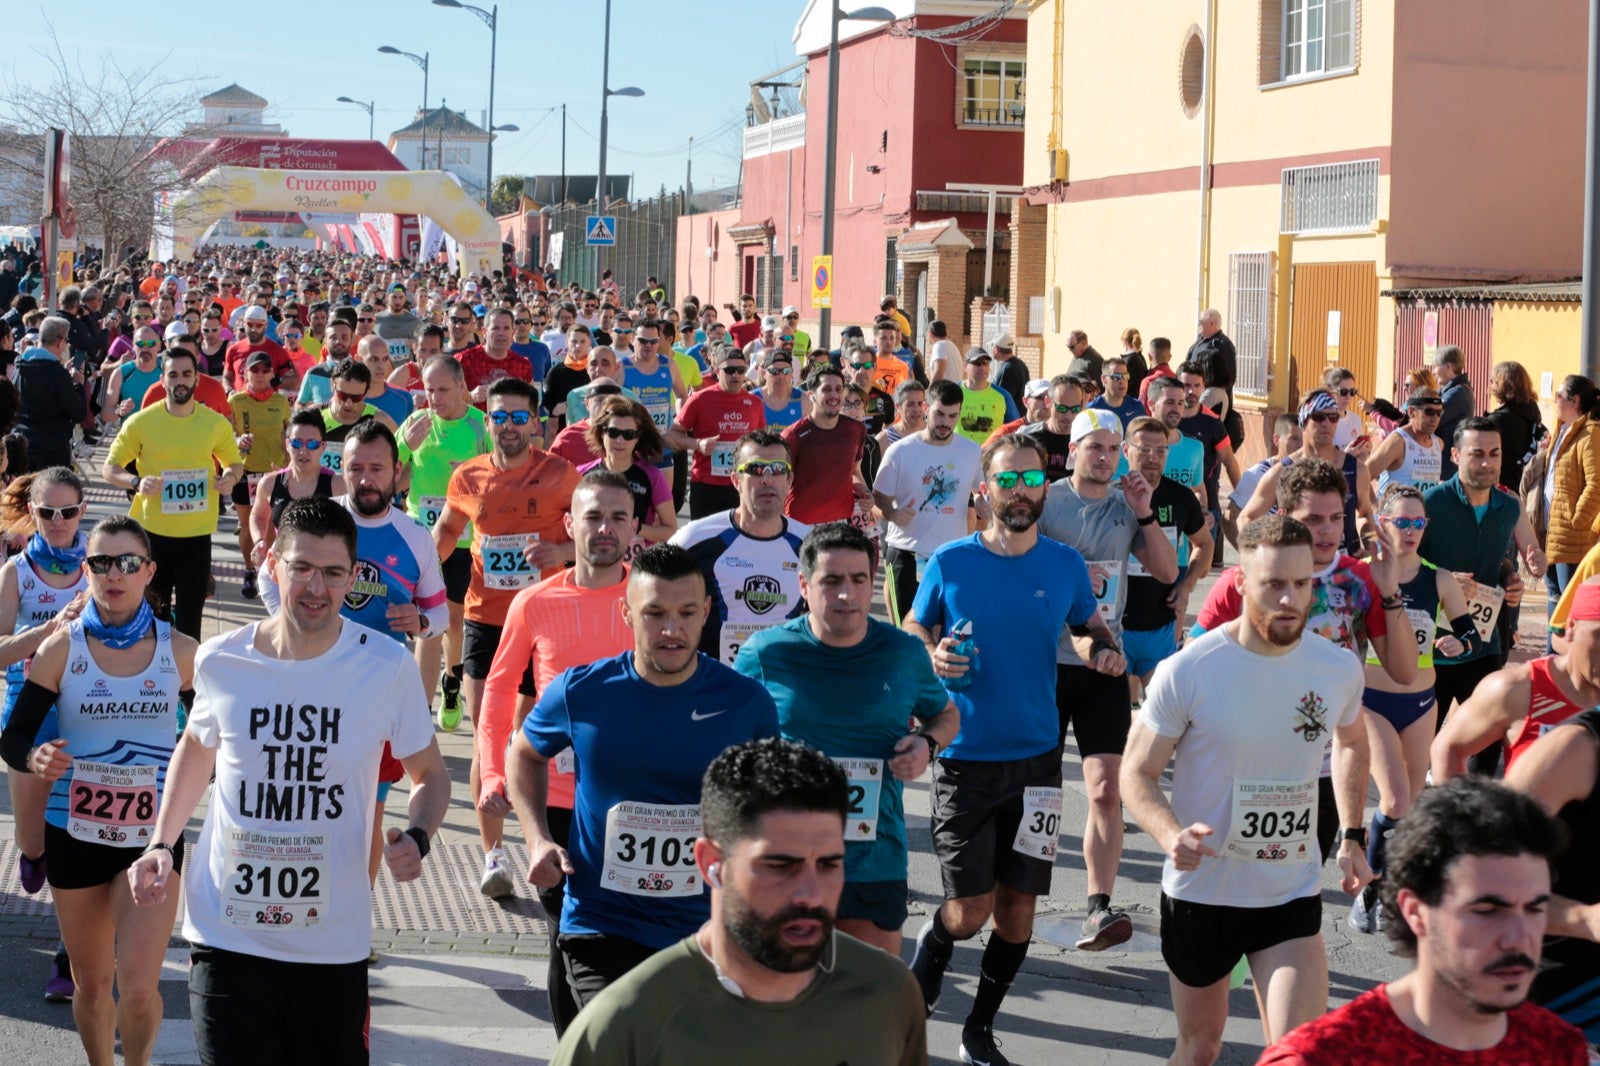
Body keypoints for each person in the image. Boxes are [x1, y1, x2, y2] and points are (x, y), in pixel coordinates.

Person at [126, 497, 450, 1066]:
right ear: (272, 564)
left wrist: (418, 836)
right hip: (227, 934)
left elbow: (431, 775)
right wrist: (161, 843)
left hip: (331, 944)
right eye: (301, 568)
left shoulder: (386, 666)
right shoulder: (221, 660)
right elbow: (197, 749)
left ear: (354, 576)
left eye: (333, 573)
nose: (316, 588)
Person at [1121, 515, 1373, 1066]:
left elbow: (1353, 740)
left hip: (1289, 890)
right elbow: (1136, 772)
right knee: (1200, 1049)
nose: (1289, 599)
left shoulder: (1336, 668)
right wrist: (1170, 835)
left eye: (1301, 584)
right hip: (1203, 893)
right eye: (1273, 583)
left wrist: (1352, 833)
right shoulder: (1189, 670)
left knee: (1300, 1054)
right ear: (1239, 582)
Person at [905, 433, 1122, 1065]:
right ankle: (932, 951)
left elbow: (1086, 625)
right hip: (964, 759)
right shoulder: (951, 561)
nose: (1021, 491)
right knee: (969, 911)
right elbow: (915, 625)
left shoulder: (1063, 563)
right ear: (985, 489)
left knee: (1018, 912)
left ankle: (979, 1029)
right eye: (1008, 480)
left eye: (1031, 479)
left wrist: (1101, 651)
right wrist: (931, 653)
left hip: (1038, 763)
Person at [505, 544, 779, 1012]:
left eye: (686, 613)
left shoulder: (746, 702)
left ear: (706, 612)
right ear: (626, 613)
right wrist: (537, 839)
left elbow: (769, 801)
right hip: (601, 923)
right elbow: (524, 754)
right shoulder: (582, 691)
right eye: (654, 613)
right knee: (625, 1037)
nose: (672, 629)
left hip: (706, 927)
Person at [549, 736, 928, 1066]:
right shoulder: (620, 1028)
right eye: (780, 866)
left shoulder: (889, 991)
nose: (811, 894)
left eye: (829, 864)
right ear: (711, 863)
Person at [0, 516, 194, 1066]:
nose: (115, 574)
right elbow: (14, 737)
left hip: (152, 841)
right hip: (75, 833)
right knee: (91, 986)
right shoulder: (62, 649)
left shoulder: (181, 652)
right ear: (86, 571)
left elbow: (215, 739)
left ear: (149, 571)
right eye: (102, 563)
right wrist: (33, 757)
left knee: (138, 986)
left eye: (128, 563)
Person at [735, 523, 959, 954]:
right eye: (831, 580)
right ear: (804, 585)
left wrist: (926, 746)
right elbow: (730, 742)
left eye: (858, 579)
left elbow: (946, 715)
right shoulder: (766, 653)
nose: (846, 594)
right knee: (785, 990)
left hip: (873, 860)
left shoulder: (902, 653)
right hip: (785, 859)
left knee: (871, 991)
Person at [1267, 778, 1587, 1064]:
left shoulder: (1560, 1048)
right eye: (1487, 910)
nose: (1518, 938)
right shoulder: (1322, 1057)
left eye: (1534, 909)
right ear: (1415, 911)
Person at [477, 470, 635, 1033]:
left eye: (617, 517)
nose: (605, 529)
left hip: (633, 799)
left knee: (621, 937)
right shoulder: (535, 601)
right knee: (565, 933)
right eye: (593, 517)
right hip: (555, 798)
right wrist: (492, 774)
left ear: (634, 529)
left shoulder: (651, 601)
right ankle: (575, 1047)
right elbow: (499, 691)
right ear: (570, 524)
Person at [431, 377, 580, 898]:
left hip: (544, 621)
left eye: (519, 417)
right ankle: (493, 855)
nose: (509, 426)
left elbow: (595, 533)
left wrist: (563, 554)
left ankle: (543, 840)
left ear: (535, 422)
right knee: (486, 736)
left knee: (531, 736)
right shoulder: (468, 476)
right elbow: (448, 531)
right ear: (487, 420)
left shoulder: (560, 475)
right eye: (500, 416)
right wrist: (422, 574)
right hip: (486, 620)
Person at [1040, 410, 1178, 950]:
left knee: (1104, 790)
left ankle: (1098, 906)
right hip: (1047, 664)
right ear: (1073, 450)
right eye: (1094, 447)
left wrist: (1145, 513)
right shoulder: (1048, 501)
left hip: (1105, 663)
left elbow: (1167, 572)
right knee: (1039, 789)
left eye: (1112, 448)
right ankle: (1019, 891)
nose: (1104, 457)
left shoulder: (1127, 504)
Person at [1346, 485, 1478, 935]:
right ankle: (1372, 891)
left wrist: (1458, 643)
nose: (1410, 530)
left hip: (1421, 703)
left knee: (1411, 805)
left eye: (1418, 522)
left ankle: (1392, 881)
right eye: (1401, 522)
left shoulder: (1439, 579)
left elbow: (1471, 634)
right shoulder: (1364, 575)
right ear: (1383, 524)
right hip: (1372, 701)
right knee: (1396, 799)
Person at [0, 468, 89, 1002]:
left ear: (82, 512)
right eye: (48, 512)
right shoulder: (16, 572)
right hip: (29, 709)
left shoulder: (100, 564)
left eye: (68, 512)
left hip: (87, 707)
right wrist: (52, 629)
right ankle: (32, 855)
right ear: (33, 512)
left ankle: (68, 956)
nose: (59, 522)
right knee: (34, 839)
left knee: (73, 835)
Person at [102, 348, 243, 640]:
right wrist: (136, 482)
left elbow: (234, 463)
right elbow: (110, 468)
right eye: (173, 374)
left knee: (191, 620)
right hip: (153, 535)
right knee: (155, 617)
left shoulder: (214, 423)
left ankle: (188, 671)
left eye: (187, 374)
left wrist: (230, 478)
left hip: (197, 535)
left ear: (196, 379)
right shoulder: (141, 422)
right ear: (163, 379)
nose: (180, 381)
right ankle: (154, 668)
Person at [1419, 418, 1544, 725]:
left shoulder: (1509, 506)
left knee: (1486, 741)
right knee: (1424, 743)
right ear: (1455, 455)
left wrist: (1513, 579)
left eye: (1494, 453)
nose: (1487, 463)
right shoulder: (1430, 504)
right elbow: (1401, 565)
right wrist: (1442, 581)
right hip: (1432, 646)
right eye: (1477, 454)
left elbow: (1520, 557)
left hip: (1484, 642)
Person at [396, 356, 492, 722]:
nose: (435, 398)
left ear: (462, 386)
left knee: (453, 621)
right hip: (423, 538)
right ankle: (421, 713)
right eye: (429, 390)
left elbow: (498, 480)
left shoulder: (480, 426)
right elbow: (390, 473)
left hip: (465, 541)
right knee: (427, 622)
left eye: (443, 390)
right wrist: (404, 446)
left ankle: (451, 681)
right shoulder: (416, 423)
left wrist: (471, 475)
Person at [1432, 577, 1600, 784]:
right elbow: (1448, 747)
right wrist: (1459, 804)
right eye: (1599, 635)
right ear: (1571, 628)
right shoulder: (1518, 688)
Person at [670, 430, 810, 665]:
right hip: (715, 678)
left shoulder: (810, 543)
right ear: (736, 481)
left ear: (789, 480)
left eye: (777, 469)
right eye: (756, 469)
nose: (767, 479)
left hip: (782, 677)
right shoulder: (694, 539)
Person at [874, 380, 986, 625]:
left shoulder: (970, 451)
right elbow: (879, 496)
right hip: (907, 554)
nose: (945, 422)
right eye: (939, 414)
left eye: (952, 416)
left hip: (951, 555)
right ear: (926, 408)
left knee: (950, 631)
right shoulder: (900, 451)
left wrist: (980, 501)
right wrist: (892, 513)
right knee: (908, 632)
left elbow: (979, 489)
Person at [1121, 417, 1212, 687]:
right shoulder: (1113, 497)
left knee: (1163, 708)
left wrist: (1186, 586)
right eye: (1144, 449)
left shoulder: (1181, 497)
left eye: (1160, 450)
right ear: (1126, 451)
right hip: (1117, 628)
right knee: (1120, 712)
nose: (1153, 457)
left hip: (1161, 627)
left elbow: (1205, 544)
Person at [1241, 391, 1374, 559]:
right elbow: (1246, 517)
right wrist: (1263, 556)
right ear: (1303, 421)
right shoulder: (1283, 471)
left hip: (1343, 567)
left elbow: (1365, 514)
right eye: (1319, 417)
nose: (1326, 423)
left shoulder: (1356, 470)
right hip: (1298, 567)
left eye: (1333, 417)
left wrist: (1372, 548)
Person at [667, 345, 767, 519]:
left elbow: (761, 441)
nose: (736, 375)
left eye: (740, 370)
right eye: (729, 370)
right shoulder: (700, 399)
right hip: (706, 485)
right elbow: (672, 435)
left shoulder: (754, 403)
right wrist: (697, 444)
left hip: (741, 485)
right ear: (717, 370)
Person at [228, 352, 292, 600]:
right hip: (246, 471)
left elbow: (289, 432)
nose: (260, 374)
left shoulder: (281, 401)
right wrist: (237, 440)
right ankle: (249, 569)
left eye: (265, 370)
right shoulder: (236, 400)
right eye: (255, 370)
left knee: (271, 526)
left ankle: (269, 571)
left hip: (274, 471)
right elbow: (226, 434)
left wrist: (289, 459)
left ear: (272, 374)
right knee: (247, 526)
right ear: (245, 373)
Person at [579, 397, 676, 558]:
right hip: (595, 563)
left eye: (628, 435)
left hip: (636, 566)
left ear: (637, 438)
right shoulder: (582, 475)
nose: (620, 440)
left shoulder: (652, 476)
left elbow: (670, 530)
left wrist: (636, 528)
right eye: (613, 432)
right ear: (602, 433)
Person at [1538, 374, 1600, 623]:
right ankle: (1553, 648)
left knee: (1572, 606)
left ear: (1575, 401)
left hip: (1573, 537)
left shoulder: (1590, 433)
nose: (1555, 400)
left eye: (1559, 396)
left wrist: (1578, 521)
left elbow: (1596, 484)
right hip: (1553, 531)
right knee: (1555, 599)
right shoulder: (1563, 429)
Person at [247, 411, 343, 567]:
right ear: (287, 445)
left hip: (323, 570)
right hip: (283, 567)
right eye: (297, 443)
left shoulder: (338, 486)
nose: (303, 451)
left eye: (312, 444)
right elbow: (258, 516)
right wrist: (259, 541)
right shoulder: (269, 483)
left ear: (323, 447)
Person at [781, 365, 868, 525]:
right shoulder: (792, 435)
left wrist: (865, 492)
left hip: (840, 524)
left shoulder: (856, 429)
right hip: (801, 526)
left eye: (838, 389)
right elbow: (779, 483)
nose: (834, 395)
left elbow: (854, 471)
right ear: (811, 395)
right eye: (827, 389)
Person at [15, 316, 88, 471]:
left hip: (21, 444)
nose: (66, 345)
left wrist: (64, 373)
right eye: (67, 341)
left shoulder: (20, 366)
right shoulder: (57, 374)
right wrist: (77, 384)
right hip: (51, 449)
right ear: (59, 342)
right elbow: (78, 413)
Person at [1365, 388, 1443, 496]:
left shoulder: (1438, 444)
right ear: (1411, 412)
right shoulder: (1398, 442)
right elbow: (1362, 476)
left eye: (1439, 413)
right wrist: (1372, 503)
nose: (1435, 418)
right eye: (1429, 412)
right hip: (1393, 506)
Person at [1486, 360, 1544, 493]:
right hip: (1523, 485)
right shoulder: (1531, 412)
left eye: (1493, 381)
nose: (1490, 384)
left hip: (1502, 487)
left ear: (1505, 385)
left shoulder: (1499, 420)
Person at [1187, 310, 1241, 451]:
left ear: (1212, 324)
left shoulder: (1223, 345)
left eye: (1201, 322)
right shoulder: (1199, 342)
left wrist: (1209, 386)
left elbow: (1229, 377)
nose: (1198, 325)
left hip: (1214, 404)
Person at [955, 347, 1019, 446]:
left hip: (991, 454)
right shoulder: (952, 391)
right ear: (965, 366)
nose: (982, 368)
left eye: (985, 363)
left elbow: (1015, 428)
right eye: (977, 363)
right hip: (959, 453)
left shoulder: (1003, 395)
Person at [1432, 345, 1475, 480]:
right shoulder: (1451, 391)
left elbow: (1431, 418)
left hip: (1448, 468)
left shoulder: (1458, 393)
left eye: (1435, 367)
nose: (1433, 372)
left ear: (1448, 366)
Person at [1087, 355, 1144, 430]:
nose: (1122, 381)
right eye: (1116, 377)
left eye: (1125, 376)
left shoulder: (1136, 407)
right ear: (1104, 379)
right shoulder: (1092, 410)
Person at [753, 347, 804, 430]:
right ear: (764, 373)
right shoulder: (752, 399)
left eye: (786, 371)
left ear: (792, 373)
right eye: (774, 371)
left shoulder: (803, 400)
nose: (781, 376)